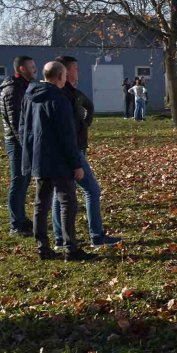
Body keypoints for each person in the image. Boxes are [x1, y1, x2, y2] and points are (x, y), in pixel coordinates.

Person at [19, 61, 96, 262]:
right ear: (60, 76)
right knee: (67, 203)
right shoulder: (58, 99)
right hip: (59, 160)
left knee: (40, 205)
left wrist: (30, 155)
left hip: (39, 158)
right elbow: (66, 135)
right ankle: (71, 248)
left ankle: (42, 247)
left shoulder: (30, 96)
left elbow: (23, 128)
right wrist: (75, 163)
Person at [52, 56, 122, 249]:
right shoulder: (63, 96)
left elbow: (86, 110)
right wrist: (75, 158)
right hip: (71, 152)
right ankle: (96, 236)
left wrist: (85, 124)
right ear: (64, 72)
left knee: (61, 194)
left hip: (66, 151)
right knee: (91, 190)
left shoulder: (68, 93)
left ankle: (60, 238)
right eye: (75, 68)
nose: (78, 71)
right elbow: (67, 130)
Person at [0, 55, 37, 237]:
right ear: (21, 69)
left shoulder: (24, 86)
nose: (35, 69)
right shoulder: (13, 90)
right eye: (31, 67)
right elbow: (16, 123)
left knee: (24, 181)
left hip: (24, 141)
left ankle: (21, 219)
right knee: (18, 180)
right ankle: (16, 224)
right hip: (16, 142)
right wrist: (25, 146)